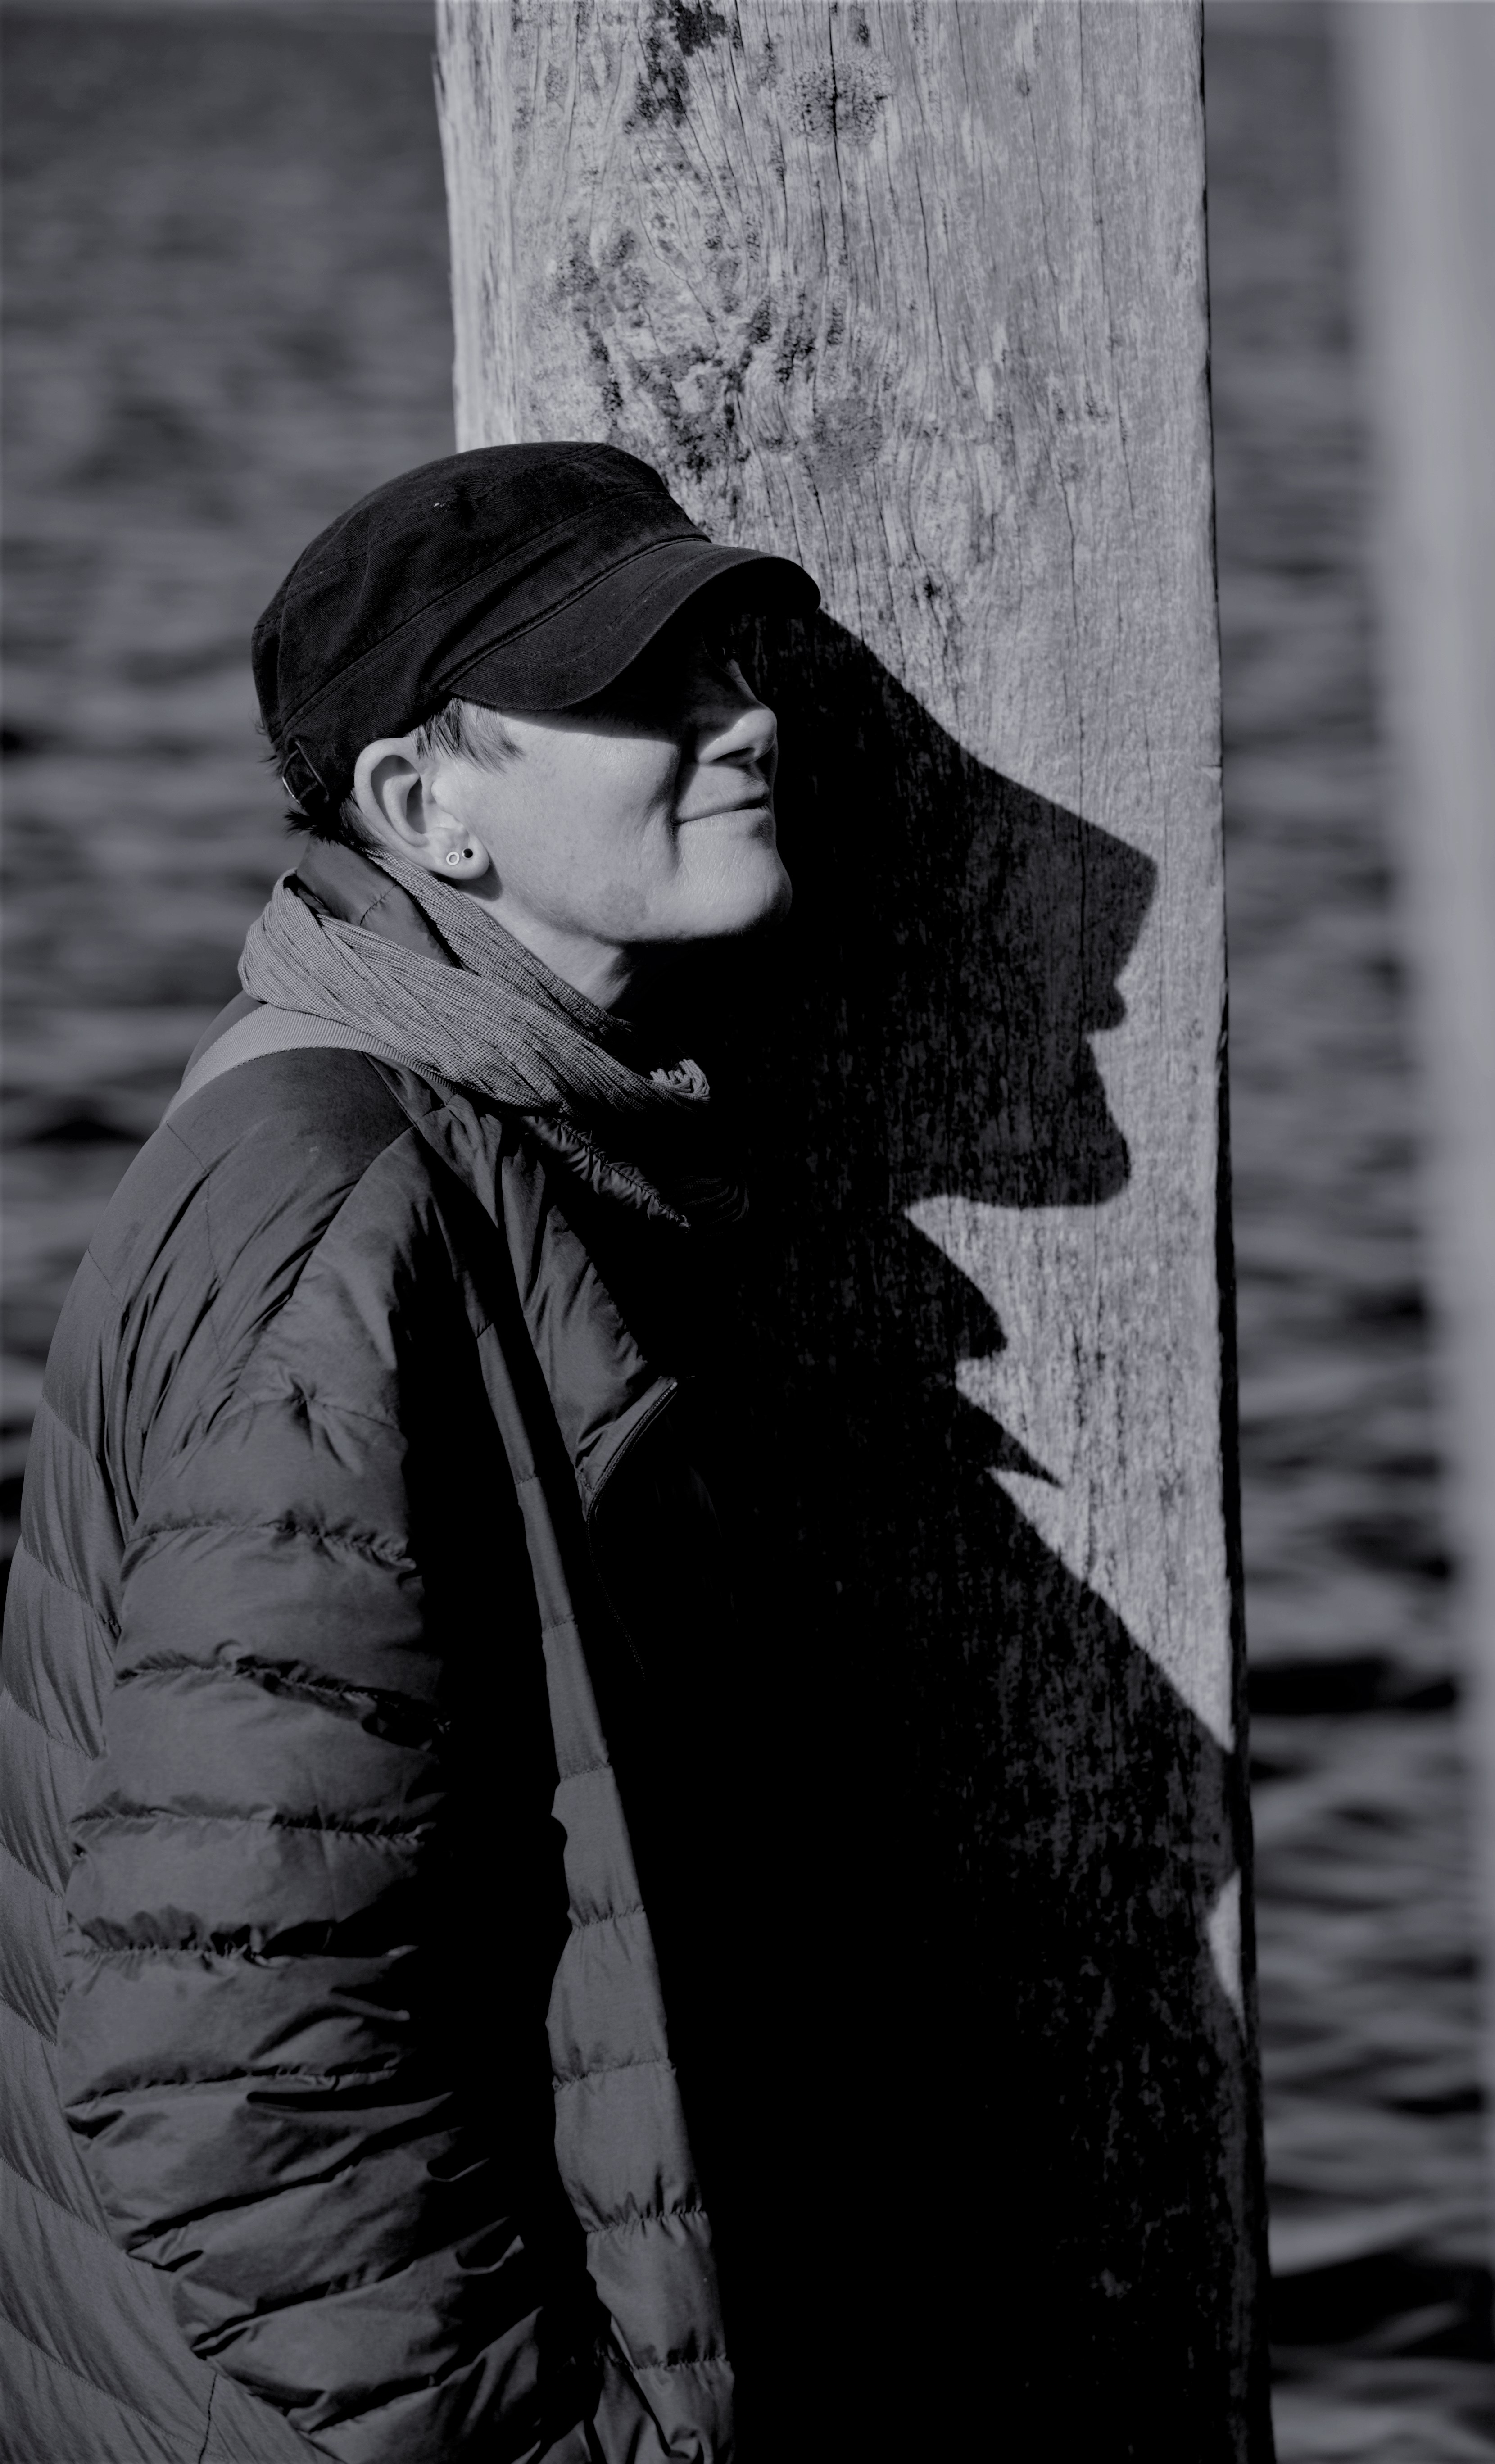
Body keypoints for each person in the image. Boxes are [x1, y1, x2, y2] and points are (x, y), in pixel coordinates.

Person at [0, 442, 818, 2464]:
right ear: (421, 804)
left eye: (732, 659)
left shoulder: (457, 1122)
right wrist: (550, 2444)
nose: (748, 719)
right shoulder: (345, 1204)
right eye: (643, 689)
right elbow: (221, 2050)